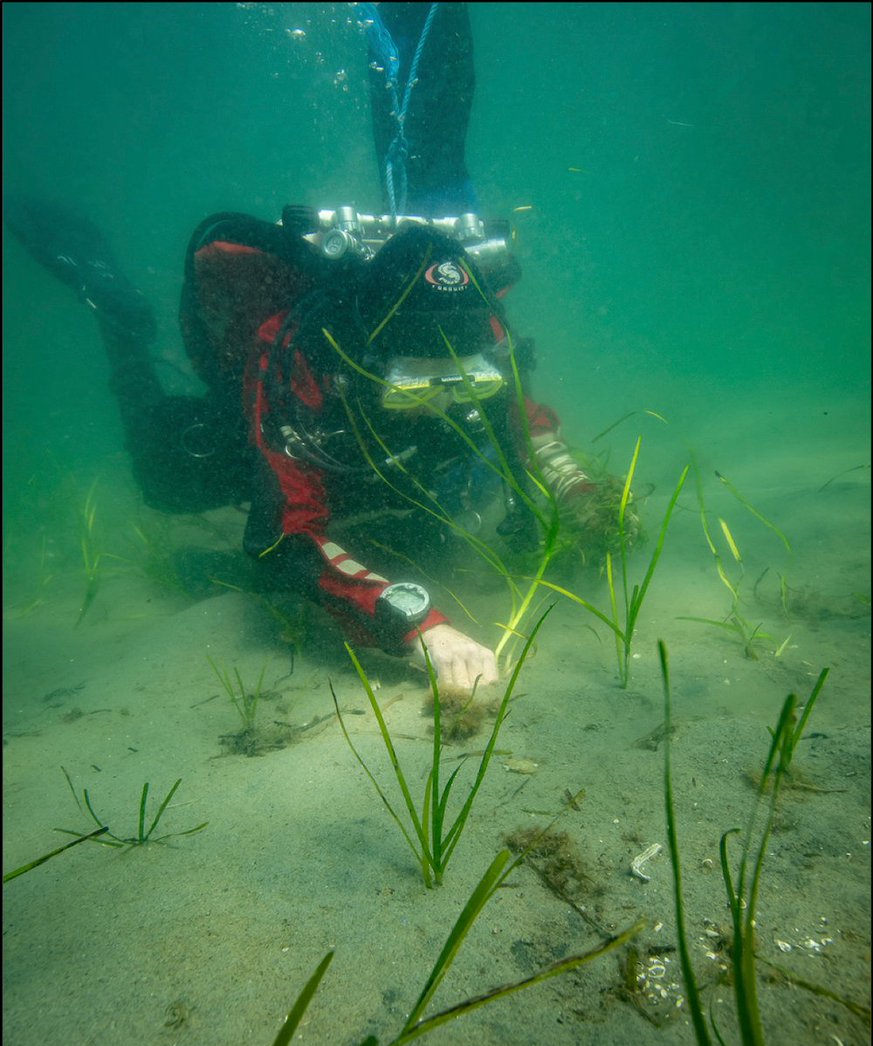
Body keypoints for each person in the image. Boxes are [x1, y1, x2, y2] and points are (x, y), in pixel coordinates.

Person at [4, 3, 628, 691]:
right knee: (166, 478)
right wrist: (422, 630)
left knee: (421, 535)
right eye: (418, 387)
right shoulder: (294, 351)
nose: (444, 401)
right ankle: (116, 314)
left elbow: (523, 421)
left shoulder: (473, 326)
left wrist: (579, 492)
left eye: (465, 383)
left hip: (382, 465)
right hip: (282, 441)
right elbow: (283, 535)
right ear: (365, 362)